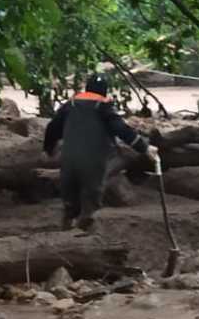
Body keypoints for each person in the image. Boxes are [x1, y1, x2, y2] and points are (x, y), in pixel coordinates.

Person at [43, 73, 157, 232]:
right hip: (93, 161)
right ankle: (86, 232)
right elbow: (121, 130)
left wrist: (49, 148)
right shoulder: (103, 106)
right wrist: (144, 147)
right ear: (104, 91)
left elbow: (52, 128)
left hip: (69, 159)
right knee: (91, 199)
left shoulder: (70, 104)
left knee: (70, 198)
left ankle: (67, 226)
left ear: (86, 88)